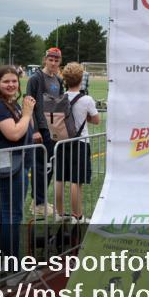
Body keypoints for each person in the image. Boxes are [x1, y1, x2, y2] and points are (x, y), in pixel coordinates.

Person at [0, 66, 35, 268]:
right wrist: (28, 114)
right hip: (10, 168)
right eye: (6, 81)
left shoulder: (10, 105)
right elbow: (13, 134)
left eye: (14, 81)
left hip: (15, 166)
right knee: (12, 215)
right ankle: (13, 268)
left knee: (2, 214)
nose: (11, 85)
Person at [55, 62, 100, 223]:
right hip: (80, 142)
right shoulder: (86, 99)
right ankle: (77, 215)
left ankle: (59, 214)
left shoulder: (61, 97)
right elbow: (96, 120)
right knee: (76, 181)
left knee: (59, 178)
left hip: (62, 142)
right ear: (81, 79)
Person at [25, 47, 64, 217]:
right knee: (40, 167)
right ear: (45, 60)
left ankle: (39, 201)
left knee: (49, 167)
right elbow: (29, 104)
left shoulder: (58, 80)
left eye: (56, 60)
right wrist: (34, 130)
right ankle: (38, 203)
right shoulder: (36, 79)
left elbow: (60, 105)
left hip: (54, 130)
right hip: (41, 129)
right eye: (51, 59)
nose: (53, 63)